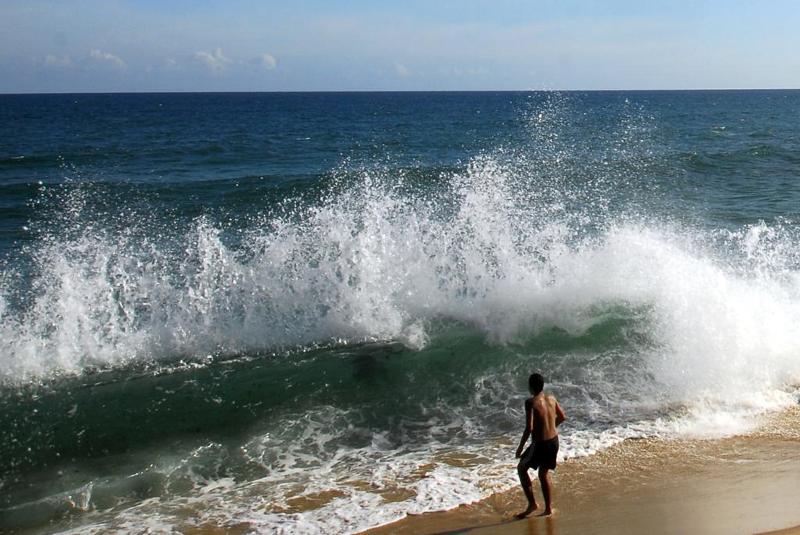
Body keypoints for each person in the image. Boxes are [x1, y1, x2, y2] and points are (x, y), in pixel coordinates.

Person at [515, 372, 566, 518]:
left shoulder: (530, 402)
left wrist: (520, 448)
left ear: (531, 387)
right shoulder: (551, 398)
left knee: (521, 468)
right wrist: (551, 428)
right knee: (543, 473)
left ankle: (532, 504)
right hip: (554, 441)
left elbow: (529, 428)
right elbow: (562, 417)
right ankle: (548, 508)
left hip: (540, 444)